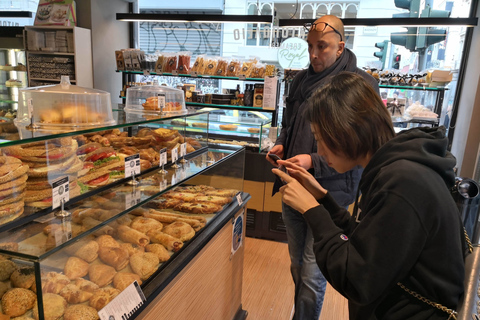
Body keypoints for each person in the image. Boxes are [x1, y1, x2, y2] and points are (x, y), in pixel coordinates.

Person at [273, 71, 466, 319]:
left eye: (320, 139)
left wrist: (312, 210)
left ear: (346, 130)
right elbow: (372, 243)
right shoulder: (395, 168)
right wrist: (322, 198)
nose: (319, 151)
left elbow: (357, 279)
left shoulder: (402, 182)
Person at [265, 15, 378, 320]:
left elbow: (354, 148)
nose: (313, 54)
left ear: (341, 47)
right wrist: (283, 144)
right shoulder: (301, 79)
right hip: (293, 185)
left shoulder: (360, 86)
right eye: (310, 46)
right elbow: (290, 123)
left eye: (322, 47)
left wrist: (312, 161)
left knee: (315, 274)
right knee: (298, 265)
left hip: (331, 194)